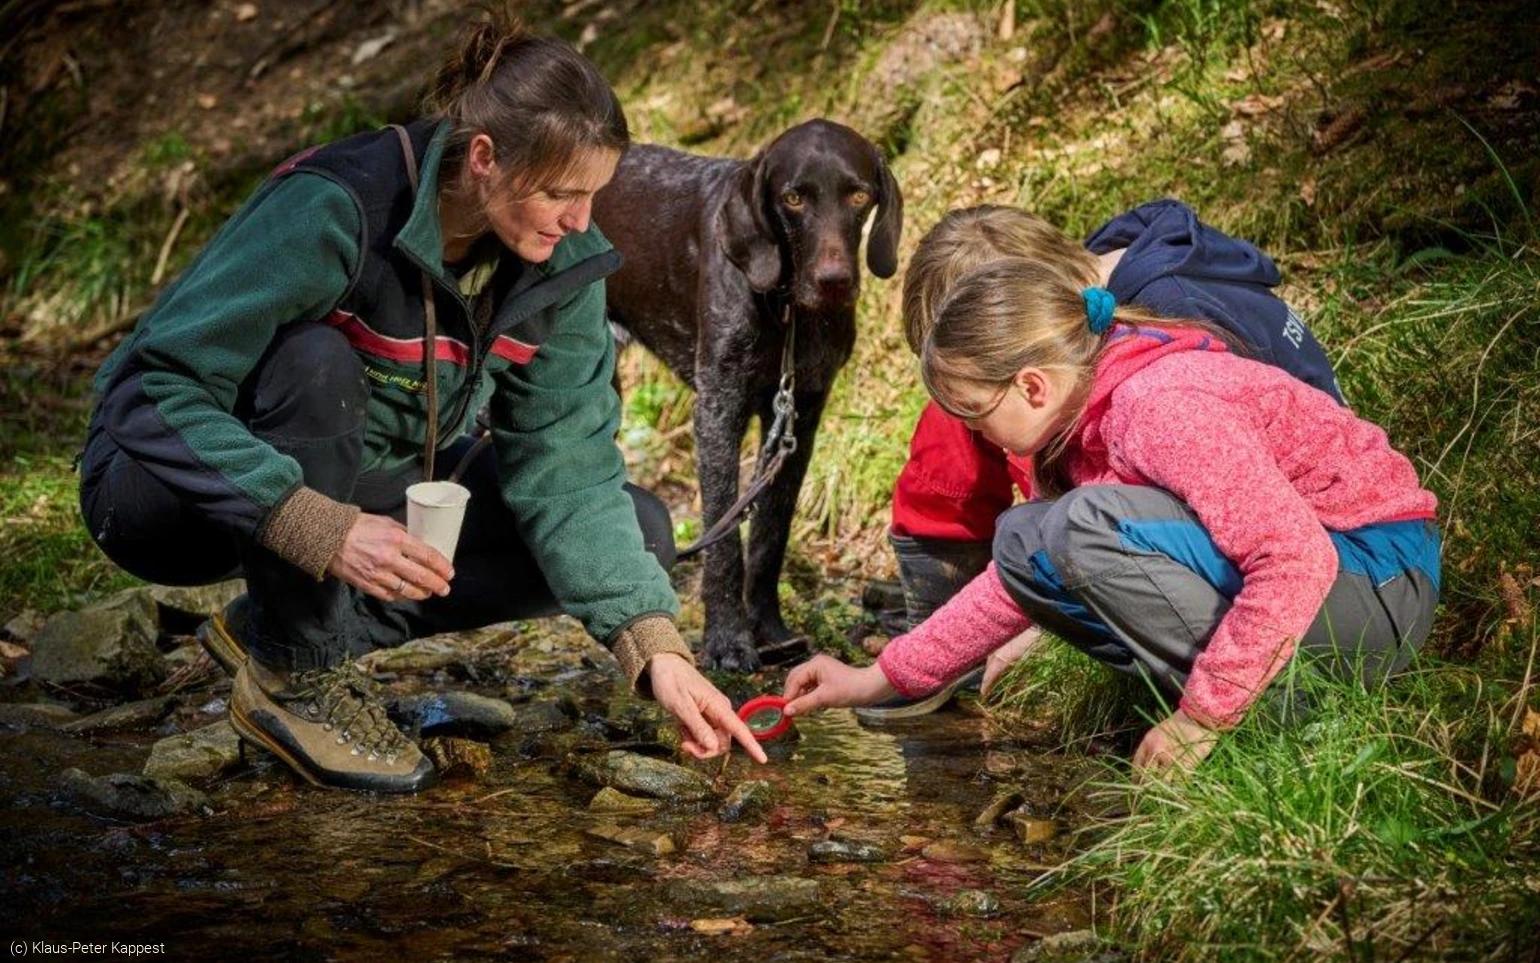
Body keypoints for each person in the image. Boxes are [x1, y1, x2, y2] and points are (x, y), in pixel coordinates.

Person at [78, 12, 766, 793]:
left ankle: (279, 627)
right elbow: (149, 389)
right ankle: (295, 675)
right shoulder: (336, 207)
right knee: (315, 364)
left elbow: (568, 470)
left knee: (640, 529)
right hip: (163, 489)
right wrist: (316, 526)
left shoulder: (561, 260)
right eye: (562, 194)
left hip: (357, 478)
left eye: (594, 195)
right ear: (484, 159)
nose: (582, 221)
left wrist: (657, 649)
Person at [784, 250, 1439, 775]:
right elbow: (1007, 588)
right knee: (1023, 539)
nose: (979, 440)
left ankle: (1283, 715)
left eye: (976, 419)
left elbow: (1296, 558)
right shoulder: (1083, 418)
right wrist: (876, 678)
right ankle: (1250, 694)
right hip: (1331, 585)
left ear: (1032, 386)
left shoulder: (1161, 406)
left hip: (1377, 585)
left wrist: (1201, 720)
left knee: (1079, 527)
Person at [866, 202, 1344, 717]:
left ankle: (1280, 704)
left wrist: (1202, 718)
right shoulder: (1104, 320)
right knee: (1016, 496)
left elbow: (1269, 530)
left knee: (1072, 523)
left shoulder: (1162, 362)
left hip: (1313, 542)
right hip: (1248, 522)